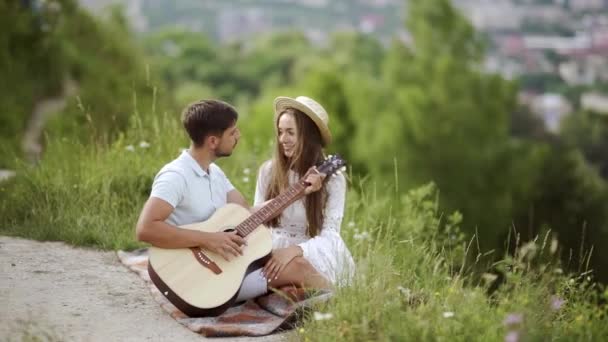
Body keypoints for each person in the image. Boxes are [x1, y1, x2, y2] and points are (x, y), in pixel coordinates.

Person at [135, 99, 325, 303]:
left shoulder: (214, 173)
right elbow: (145, 229)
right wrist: (209, 239)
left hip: (225, 268)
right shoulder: (175, 176)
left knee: (290, 261)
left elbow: (249, 213)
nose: (238, 136)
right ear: (213, 142)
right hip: (195, 280)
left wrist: (299, 190)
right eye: (232, 132)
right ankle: (343, 303)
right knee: (300, 269)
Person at [254, 96, 355, 289]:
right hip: (269, 250)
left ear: (308, 136)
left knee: (301, 267)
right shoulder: (268, 171)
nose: (283, 139)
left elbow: (331, 235)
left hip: (309, 252)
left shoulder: (334, 180)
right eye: (280, 132)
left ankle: (337, 298)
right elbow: (257, 223)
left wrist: (295, 250)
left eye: (290, 132)